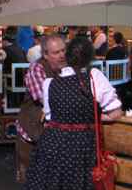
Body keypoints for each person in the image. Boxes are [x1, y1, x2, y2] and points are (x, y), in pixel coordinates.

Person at [24, 37, 123, 189]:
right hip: (81, 147)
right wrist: (98, 116)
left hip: (52, 145)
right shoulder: (93, 76)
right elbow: (116, 112)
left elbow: (50, 116)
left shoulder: (50, 83)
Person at [15, 34, 66, 183]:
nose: (62, 55)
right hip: (32, 131)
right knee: (32, 179)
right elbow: (46, 99)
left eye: (63, 51)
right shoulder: (37, 68)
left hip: (53, 133)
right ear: (45, 54)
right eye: (56, 53)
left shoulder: (67, 68)